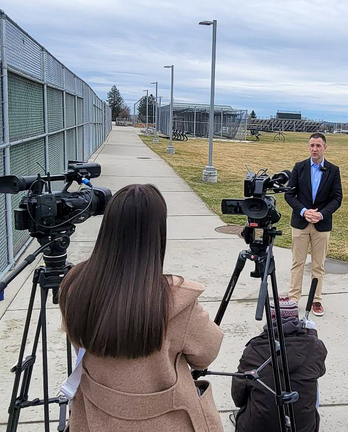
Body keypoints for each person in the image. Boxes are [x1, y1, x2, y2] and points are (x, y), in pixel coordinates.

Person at [59, 183, 224, 431]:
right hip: (167, 421)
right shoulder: (177, 299)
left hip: (94, 417)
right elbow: (206, 355)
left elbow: (77, 340)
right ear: (158, 232)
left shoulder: (75, 284)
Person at [231, 299, 327, 432]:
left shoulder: (254, 349)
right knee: (311, 385)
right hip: (302, 427)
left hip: (258, 427)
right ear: (297, 320)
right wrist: (312, 335)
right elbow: (320, 371)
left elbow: (238, 396)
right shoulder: (315, 346)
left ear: (270, 319)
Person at [283, 132, 343, 316]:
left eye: (318, 145)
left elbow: (337, 198)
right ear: (308, 147)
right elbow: (289, 194)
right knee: (297, 262)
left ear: (325, 147)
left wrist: (321, 214)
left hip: (321, 225)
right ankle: (293, 299)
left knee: (318, 265)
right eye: (312, 145)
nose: (314, 149)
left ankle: (316, 300)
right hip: (300, 223)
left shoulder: (333, 170)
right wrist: (303, 211)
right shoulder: (299, 167)